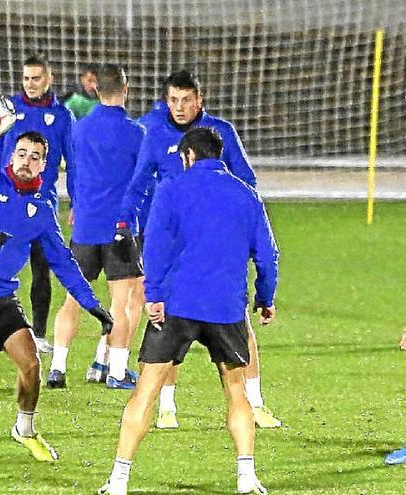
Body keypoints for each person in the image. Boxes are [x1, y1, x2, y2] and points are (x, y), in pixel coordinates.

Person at [98, 127, 278, 495]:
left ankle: (118, 481)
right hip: (226, 308)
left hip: (177, 306)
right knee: (235, 389)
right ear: (219, 156)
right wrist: (265, 296)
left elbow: (157, 247)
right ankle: (247, 477)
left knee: (145, 391)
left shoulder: (172, 189)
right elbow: (267, 255)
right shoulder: (246, 195)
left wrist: (154, 295)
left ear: (188, 156)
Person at [0, 131, 114, 463]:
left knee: (31, 364)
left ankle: (24, 429)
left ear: (44, 164)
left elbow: (62, 260)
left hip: (1, 297)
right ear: (12, 156)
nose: (26, 161)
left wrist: (91, 303)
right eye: (22, 154)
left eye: (34, 156)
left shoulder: (43, 206)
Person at [119, 69, 281, 429]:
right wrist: (125, 221)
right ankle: (167, 406)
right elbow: (139, 182)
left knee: (235, 315)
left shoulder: (221, 132)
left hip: (212, 238)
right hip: (170, 238)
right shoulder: (153, 132)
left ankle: (255, 403)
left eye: (186, 100)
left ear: (199, 100)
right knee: (164, 318)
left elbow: (246, 179)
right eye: (173, 100)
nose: (178, 107)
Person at [47, 64, 146, 390]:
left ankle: (57, 368)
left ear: (96, 90)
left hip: (86, 225)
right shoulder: (135, 133)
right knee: (121, 303)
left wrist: (77, 204)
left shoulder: (79, 129)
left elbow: (74, 174)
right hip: (119, 227)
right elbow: (141, 182)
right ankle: (116, 372)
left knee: (72, 299)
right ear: (125, 88)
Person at [0, 54, 76, 354]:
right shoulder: (6, 111)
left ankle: (40, 333)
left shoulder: (62, 117)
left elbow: (73, 162)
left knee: (41, 267)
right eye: (26, 78)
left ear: (49, 79)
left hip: (41, 203)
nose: (31, 84)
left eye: (36, 78)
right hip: (7, 200)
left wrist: (76, 201)